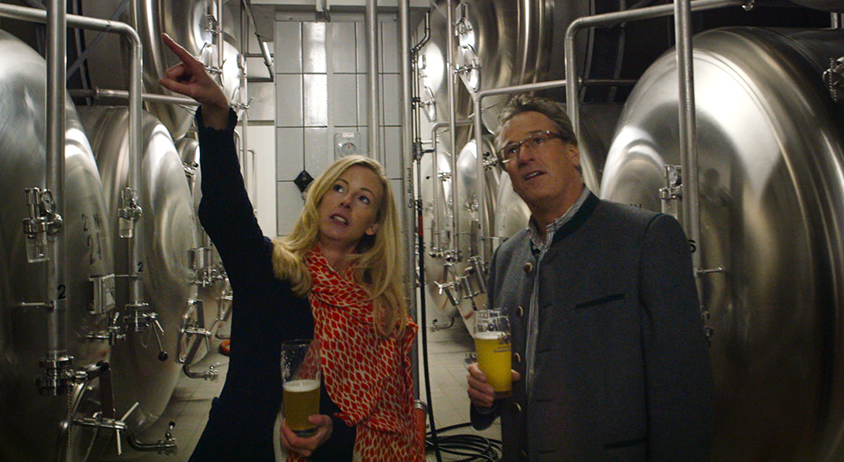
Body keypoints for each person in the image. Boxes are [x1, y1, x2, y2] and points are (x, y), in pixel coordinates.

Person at [158, 34, 423, 462]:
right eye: (338, 188)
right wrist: (216, 114)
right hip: (244, 448)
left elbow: (378, 410)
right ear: (319, 199)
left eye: (363, 198)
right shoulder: (272, 271)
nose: (345, 201)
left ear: (374, 225)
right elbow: (225, 212)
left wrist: (333, 430)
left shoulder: (380, 308)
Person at [466, 94, 714, 462]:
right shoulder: (507, 257)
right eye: (511, 150)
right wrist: (484, 397)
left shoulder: (644, 238)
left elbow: (683, 388)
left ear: (573, 152)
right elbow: (510, 378)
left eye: (537, 140)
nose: (524, 156)